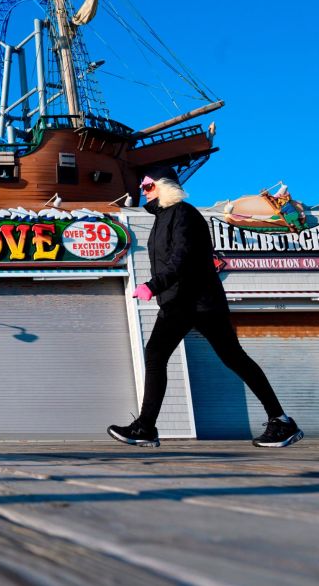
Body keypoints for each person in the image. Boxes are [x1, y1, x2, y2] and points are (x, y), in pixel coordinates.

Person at [108, 166, 303, 448]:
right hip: (179, 301)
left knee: (230, 358)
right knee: (166, 355)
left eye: (148, 185)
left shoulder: (184, 214)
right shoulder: (163, 218)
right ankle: (146, 427)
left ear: (165, 186)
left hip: (198, 302)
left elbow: (182, 259)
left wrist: (153, 285)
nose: (142, 189)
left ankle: (281, 422)